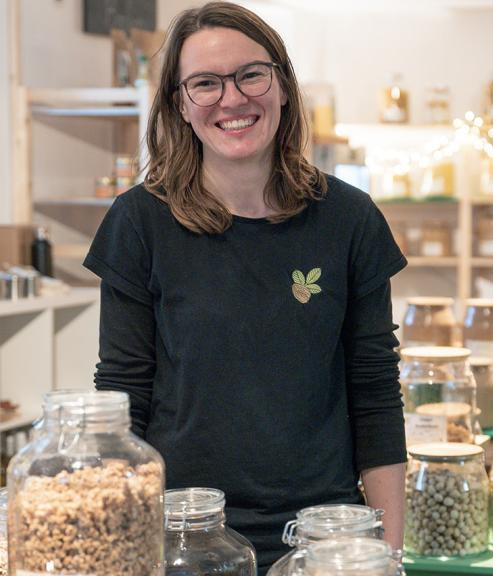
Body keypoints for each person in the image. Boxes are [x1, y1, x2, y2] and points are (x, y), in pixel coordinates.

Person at [83, 2, 407, 573]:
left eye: (250, 75)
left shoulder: (349, 220)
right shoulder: (139, 223)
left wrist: (385, 556)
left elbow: (376, 394)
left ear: (282, 85)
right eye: (205, 84)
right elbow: (123, 401)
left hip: (325, 541)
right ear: (180, 105)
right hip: (182, 539)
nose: (232, 99)